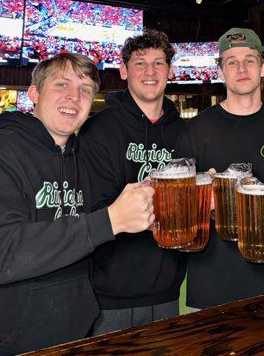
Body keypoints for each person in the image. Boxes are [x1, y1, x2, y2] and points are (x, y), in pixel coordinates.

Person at [0, 53, 155, 355]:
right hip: (3, 344)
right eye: (62, 84)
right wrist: (110, 220)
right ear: (34, 93)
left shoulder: (82, 160)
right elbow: (3, 252)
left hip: (75, 335)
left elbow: (93, 241)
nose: (74, 97)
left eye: (85, 89)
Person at [174, 27, 264, 310]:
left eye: (250, 60)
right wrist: (204, 201)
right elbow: (180, 220)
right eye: (231, 61)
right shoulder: (193, 133)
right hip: (210, 292)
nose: (241, 68)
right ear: (220, 70)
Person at [79, 30, 186, 333]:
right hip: (109, 295)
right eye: (140, 63)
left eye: (158, 63)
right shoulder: (96, 129)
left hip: (167, 290)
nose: (150, 72)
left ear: (170, 71)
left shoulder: (186, 132)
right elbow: (91, 207)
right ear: (124, 71)